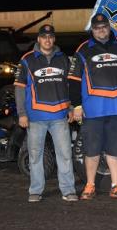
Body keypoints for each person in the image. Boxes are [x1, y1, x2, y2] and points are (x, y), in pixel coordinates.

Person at [68, 13, 117, 200]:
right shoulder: (83, 50)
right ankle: (90, 185)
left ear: (109, 27)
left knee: (115, 149)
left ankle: (116, 185)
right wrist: (77, 106)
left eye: (104, 27)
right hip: (93, 110)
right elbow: (73, 81)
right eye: (97, 28)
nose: (101, 30)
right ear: (92, 30)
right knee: (92, 149)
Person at [14, 24, 77, 203]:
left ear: (54, 39)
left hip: (59, 116)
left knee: (65, 155)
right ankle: (35, 190)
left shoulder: (63, 58)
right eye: (44, 37)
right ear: (39, 39)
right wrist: (22, 114)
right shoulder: (27, 60)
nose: (47, 40)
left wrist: (71, 108)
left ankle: (68, 189)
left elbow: (69, 87)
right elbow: (19, 89)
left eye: (50, 37)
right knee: (35, 156)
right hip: (35, 118)